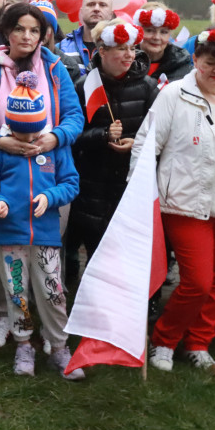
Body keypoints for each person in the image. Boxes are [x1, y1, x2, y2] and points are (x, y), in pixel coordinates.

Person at [133, 29, 215, 375]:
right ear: (195, 59)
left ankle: (198, 343)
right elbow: (146, 144)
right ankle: (164, 339)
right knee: (197, 282)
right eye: (210, 63)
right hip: (186, 203)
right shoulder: (174, 95)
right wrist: (138, 193)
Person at [0, 2, 84, 348]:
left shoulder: (56, 69)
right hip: (3, 172)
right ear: (7, 32)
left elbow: (74, 117)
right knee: (7, 250)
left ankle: (49, 323)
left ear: (44, 33)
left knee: (45, 253)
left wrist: (54, 138)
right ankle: (6, 314)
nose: (27, 36)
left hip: (48, 171)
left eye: (35, 30)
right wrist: (1, 142)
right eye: (20, 29)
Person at [0, 71, 83, 380]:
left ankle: (59, 345)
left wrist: (51, 197)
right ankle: (24, 344)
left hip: (46, 236)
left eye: (34, 133)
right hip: (9, 237)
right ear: (11, 127)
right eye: (22, 134)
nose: (29, 141)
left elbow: (71, 183)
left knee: (53, 291)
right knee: (16, 291)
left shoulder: (55, 149)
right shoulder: (0, 152)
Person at [63, 19, 158, 285]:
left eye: (132, 48)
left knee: (127, 254)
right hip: (92, 185)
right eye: (120, 48)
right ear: (102, 50)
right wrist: (102, 135)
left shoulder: (148, 87)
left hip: (129, 184)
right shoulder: (85, 86)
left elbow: (159, 133)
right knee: (96, 252)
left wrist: (133, 143)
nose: (129, 54)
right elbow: (71, 135)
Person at [57, 0, 114, 74]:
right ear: (81, 12)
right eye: (91, 4)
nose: (96, 8)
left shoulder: (121, 48)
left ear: (111, 14)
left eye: (102, 5)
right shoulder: (61, 48)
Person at [136, 5, 191, 83]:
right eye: (150, 30)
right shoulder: (125, 61)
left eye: (164, 32)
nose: (157, 37)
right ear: (139, 31)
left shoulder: (182, 65)